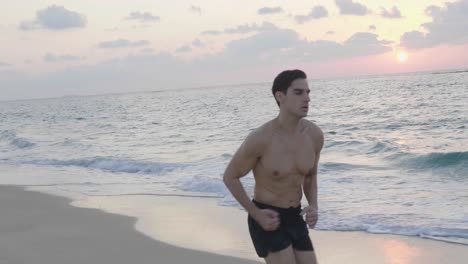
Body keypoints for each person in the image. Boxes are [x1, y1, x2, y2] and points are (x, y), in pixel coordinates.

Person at [223, 69, 324, 264]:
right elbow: (230, 176)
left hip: (295, 216)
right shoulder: (261, 138)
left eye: (308, 92)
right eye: (298, 92)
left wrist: (313, 205)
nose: (307, 99)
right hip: (266, 217)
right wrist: (256, 214)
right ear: (280, 96)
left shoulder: (314, 135)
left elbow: (310, 176)